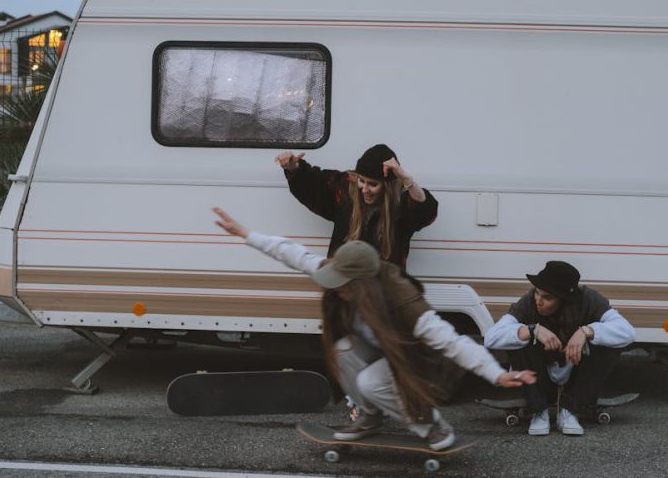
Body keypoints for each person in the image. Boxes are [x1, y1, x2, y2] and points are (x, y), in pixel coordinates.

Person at [212, 206, 535, 450]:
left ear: (364, 285)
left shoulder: (401, 299)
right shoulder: (344, 272)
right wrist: (246, 234)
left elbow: (451, 341)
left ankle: (431, 424)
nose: (335, 289)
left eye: (343, 286)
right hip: (382, 353)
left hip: (416, 362)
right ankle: (369, 416)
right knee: (343, 350)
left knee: (369, 381)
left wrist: (496, 374)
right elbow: (293, 254)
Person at [484, 261, 635, 437]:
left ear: (565, 300)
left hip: (576, 371)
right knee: (517, 338)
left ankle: (569, 409)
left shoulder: (588, 299)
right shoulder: (529, 301)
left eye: (547, 298)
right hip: (540, 373)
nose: (538, 301)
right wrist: (532, 330)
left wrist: (587, 331)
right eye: (537, 293)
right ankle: (538, 411)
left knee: (610, 344)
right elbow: (490, 338)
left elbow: (628, 333)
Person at [275, 144, 437, 268]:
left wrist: (407, 179)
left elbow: (425, 210)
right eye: (362, 181)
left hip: (383, 294)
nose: (364, 189)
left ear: (387, 187)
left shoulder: (400, 206)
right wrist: (293, 168)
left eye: (373, 184)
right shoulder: (346, 190)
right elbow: (314, 185)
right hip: (344, 288)